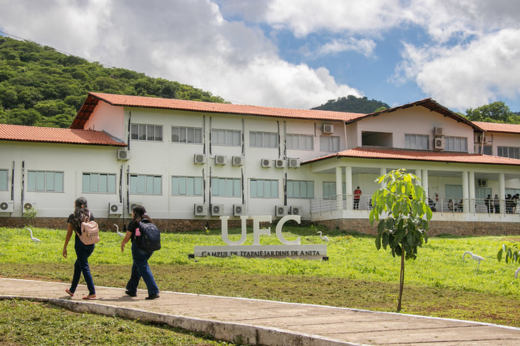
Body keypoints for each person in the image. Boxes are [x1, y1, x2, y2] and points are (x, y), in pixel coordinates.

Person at [121, 205, 160, 300]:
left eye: (133, 212)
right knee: (137, 267)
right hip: (150, 248)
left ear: (135, 213)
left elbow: (127, 236)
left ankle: (153, 291)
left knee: (143, 268)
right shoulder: (149, 221)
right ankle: (131, 289)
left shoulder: (134, 223)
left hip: (139, 248)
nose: (131, 214)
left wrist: (123, 243)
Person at [62, 197, 96, 300]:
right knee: (78, 265)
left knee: (84, 266)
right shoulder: (90, 215)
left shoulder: (73, 216)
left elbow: (69, 232)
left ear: (76, 205)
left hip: (80, 244)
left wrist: (65, 247)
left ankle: (92, 292)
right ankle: (72, 290)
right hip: (91, 243)